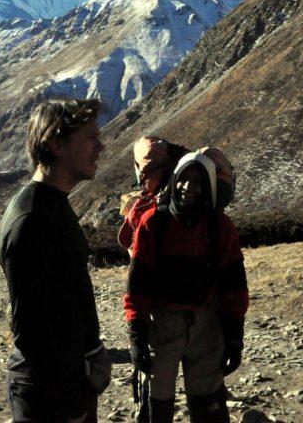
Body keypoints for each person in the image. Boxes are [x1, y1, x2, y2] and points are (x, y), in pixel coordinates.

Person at [0, 98, 111, 423]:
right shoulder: (32, 220)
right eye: (91, 137)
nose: (101, 147)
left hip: (65, 383)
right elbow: (30, 331)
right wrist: (72, 398)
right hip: (50, 397)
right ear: (56, 144)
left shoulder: (51, 204)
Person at [124, 150, 249, 423]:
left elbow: (234, 286)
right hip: (163, 326)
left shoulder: (220, 228)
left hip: (207, 326)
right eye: (183, 179)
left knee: (206, 403)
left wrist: (234, 337)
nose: (188, 187)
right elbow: (138, 286)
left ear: (208, 188)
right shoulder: (152, 223)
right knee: (157, 402)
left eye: (197, 181)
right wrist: (137, 336)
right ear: (174, 181)